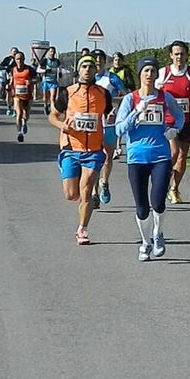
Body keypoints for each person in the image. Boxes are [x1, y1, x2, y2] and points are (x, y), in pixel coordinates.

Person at [115, 56, 184, 262]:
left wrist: (174, 130)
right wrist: (136, 113)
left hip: (160, 156)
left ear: (156, 75)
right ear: (139, 74)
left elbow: (180, 116)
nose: (149, 74)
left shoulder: (164, 97)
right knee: (142, 207)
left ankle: (158, 234)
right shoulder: (130, 99)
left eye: (153, 71)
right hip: (137, 157)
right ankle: (145, 242)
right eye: (145, 71)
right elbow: (120, 128)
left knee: (158, 202)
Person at [48, 55, 113, 245]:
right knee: (71, 194)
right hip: (71, 149)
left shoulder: (102, 93)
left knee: (86, 190)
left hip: (93, 150)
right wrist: (62, 126)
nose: (87, 69)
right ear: (79, 70)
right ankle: (71, 177)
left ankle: (82, 229)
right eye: (84, 66)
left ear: (95, 71)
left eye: (91, 67)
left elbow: (109, 112)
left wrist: (110, 117)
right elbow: (53, 116)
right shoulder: (68, 93)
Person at [156, 40, 190, 204]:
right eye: (176, 54)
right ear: (171, 55)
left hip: (186, 121)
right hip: (168, 122)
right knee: (174, 153)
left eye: (182, 54)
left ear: (187, 55)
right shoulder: (163, 73)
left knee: (182, 157)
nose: (179, 57)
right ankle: (161, 181)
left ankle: (174, 188)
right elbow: (153, 95)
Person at [90, 48, 126, 208]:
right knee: (93, 159)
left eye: (100, 61)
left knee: (107, 158)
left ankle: (104, 182)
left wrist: (114, 110)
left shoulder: (112, 78)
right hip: (92, 126)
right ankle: (94, 193)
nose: (97, 64)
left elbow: (125, 96)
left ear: (105, 62)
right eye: (95, 61)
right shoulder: (86, 79)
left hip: (109, 125)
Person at [109, 51, 136, 160]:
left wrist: (123, 89)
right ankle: (113, 145)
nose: (117, 62)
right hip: (111, 100)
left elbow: (131, 85)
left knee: (120, 121)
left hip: (122, 100)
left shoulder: (126, 71)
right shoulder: (109, 72)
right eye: (115, 60)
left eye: (119, 60)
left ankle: (118, 146)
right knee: (111, 121)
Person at [10, 51, 37, 142]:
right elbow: (11, 79)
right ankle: (19, 133)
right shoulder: (13, 69)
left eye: (21, 59)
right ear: (15, 60)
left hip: (28, 95)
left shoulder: (29, 69)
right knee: (19, 113)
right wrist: (8, 85)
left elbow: (38, 79)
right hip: (17, 95)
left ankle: (25, 122)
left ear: (24, 59)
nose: (19, 61)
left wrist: (31, 82)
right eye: (17, 59)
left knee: (26, 114)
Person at [39, 46, 61, 115]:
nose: (52, 53)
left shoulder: (57, 61)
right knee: (45, 97)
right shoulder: (45, 61)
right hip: (45, 81)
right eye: (51, 52)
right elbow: (38, 70)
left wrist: (60, 73)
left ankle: (52, 111)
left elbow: (59, 69)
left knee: (52, 97)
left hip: (53, 81)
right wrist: (45, 70)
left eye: (53, 52)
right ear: (48, 52)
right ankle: (45, 105)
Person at [0, 47, 19, 116]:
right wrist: (6, 67)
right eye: (13, 51)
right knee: (9, 93)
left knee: (15, 94)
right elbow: (0, 66)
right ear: (11, 52)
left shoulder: (19, 59)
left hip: (17, 78)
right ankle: (9, 107)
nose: (15, 52)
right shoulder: (8, 59)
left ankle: (15, 109)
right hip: (8, 78)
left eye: (16, 51)